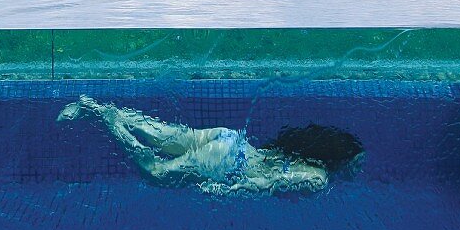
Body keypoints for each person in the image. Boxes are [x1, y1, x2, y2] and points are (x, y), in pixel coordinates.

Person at [57, 95, 362, 197]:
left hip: (230, 140)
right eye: (355, 161)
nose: (358, 167)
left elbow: (270, 167)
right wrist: (226, 191)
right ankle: (107, 120)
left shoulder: (301, 150)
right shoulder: (317, 178)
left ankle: (92, 105)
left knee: (158, 132)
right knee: (155, 172)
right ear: (340, 159)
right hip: (227, 164)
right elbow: (268, 182)